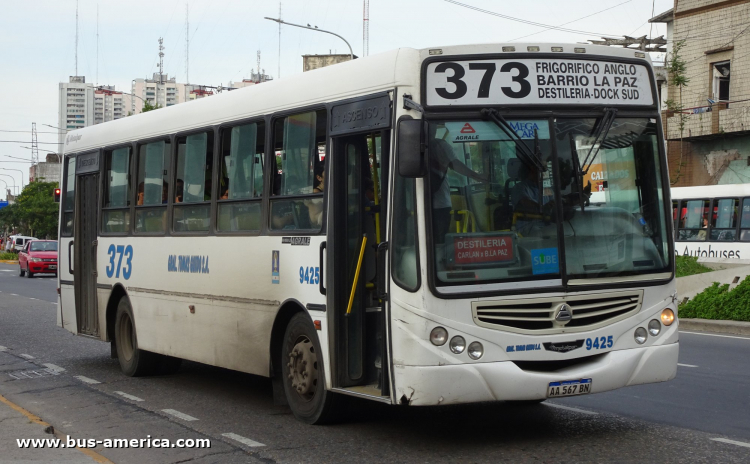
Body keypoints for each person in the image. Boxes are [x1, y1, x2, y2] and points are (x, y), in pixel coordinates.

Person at [430, 138, 488, 244]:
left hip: (419, 205)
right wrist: (477, 176)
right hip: (440, 206)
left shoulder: (413, 143)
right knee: (439, 244)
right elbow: (455, 165)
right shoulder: (440, 145)